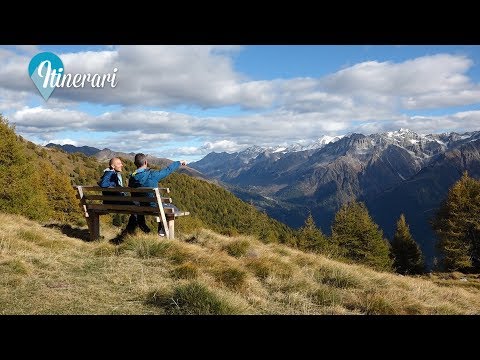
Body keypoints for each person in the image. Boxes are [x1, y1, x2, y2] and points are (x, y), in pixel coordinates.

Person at [129, 153, 187, 236]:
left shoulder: (132, 178)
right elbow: (167, 170)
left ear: (135, 164)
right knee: (173, 209)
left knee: (164, 207)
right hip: (154, 207)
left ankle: (153, 230)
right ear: (145, 162)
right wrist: (179, 162)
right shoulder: (152, 175)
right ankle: (162, 232)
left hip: (139, 207)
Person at [98, 157, 150, 234]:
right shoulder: (109, 173)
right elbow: (103, 184)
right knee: (137, 205)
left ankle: (130, 230)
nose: (121, 165)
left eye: (121, 163)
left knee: (136, 205)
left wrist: (117, 187)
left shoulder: (112, 173)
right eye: (119, 164)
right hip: (113, 202)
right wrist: (115, 186)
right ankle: (138, 226)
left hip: (115, 201)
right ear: (113, 166)